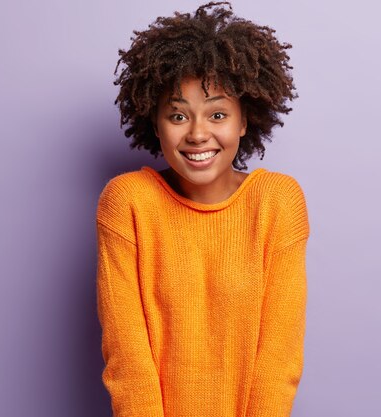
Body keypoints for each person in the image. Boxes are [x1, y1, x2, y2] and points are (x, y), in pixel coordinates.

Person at [95, 2, 310, 416]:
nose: (197, 134)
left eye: (217, 114)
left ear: (244, 121)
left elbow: (278, 361)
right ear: (155, 122)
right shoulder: (127, 202)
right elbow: (127, 357)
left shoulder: (278, 203)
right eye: (177, 115)